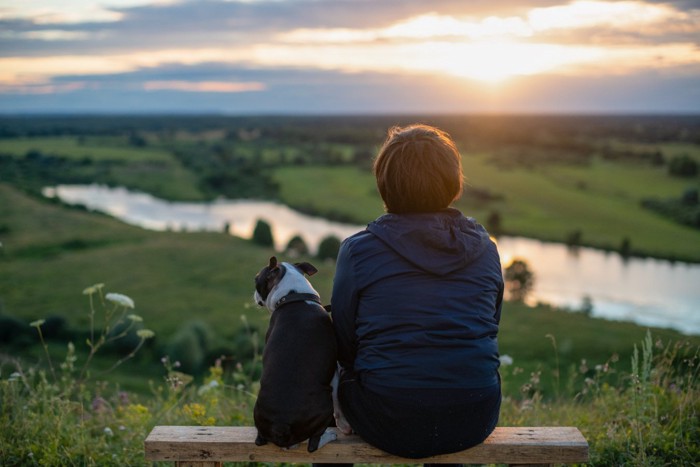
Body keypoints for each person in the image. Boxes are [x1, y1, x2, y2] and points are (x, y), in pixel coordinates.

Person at [330, 123, 503, 460]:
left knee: (334, 373)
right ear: (452, 182)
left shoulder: (358, 251)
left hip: (387, 417)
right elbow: (490, 325)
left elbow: (344, 342)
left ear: (385, 184)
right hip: (475, 413)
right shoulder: (486, 249)